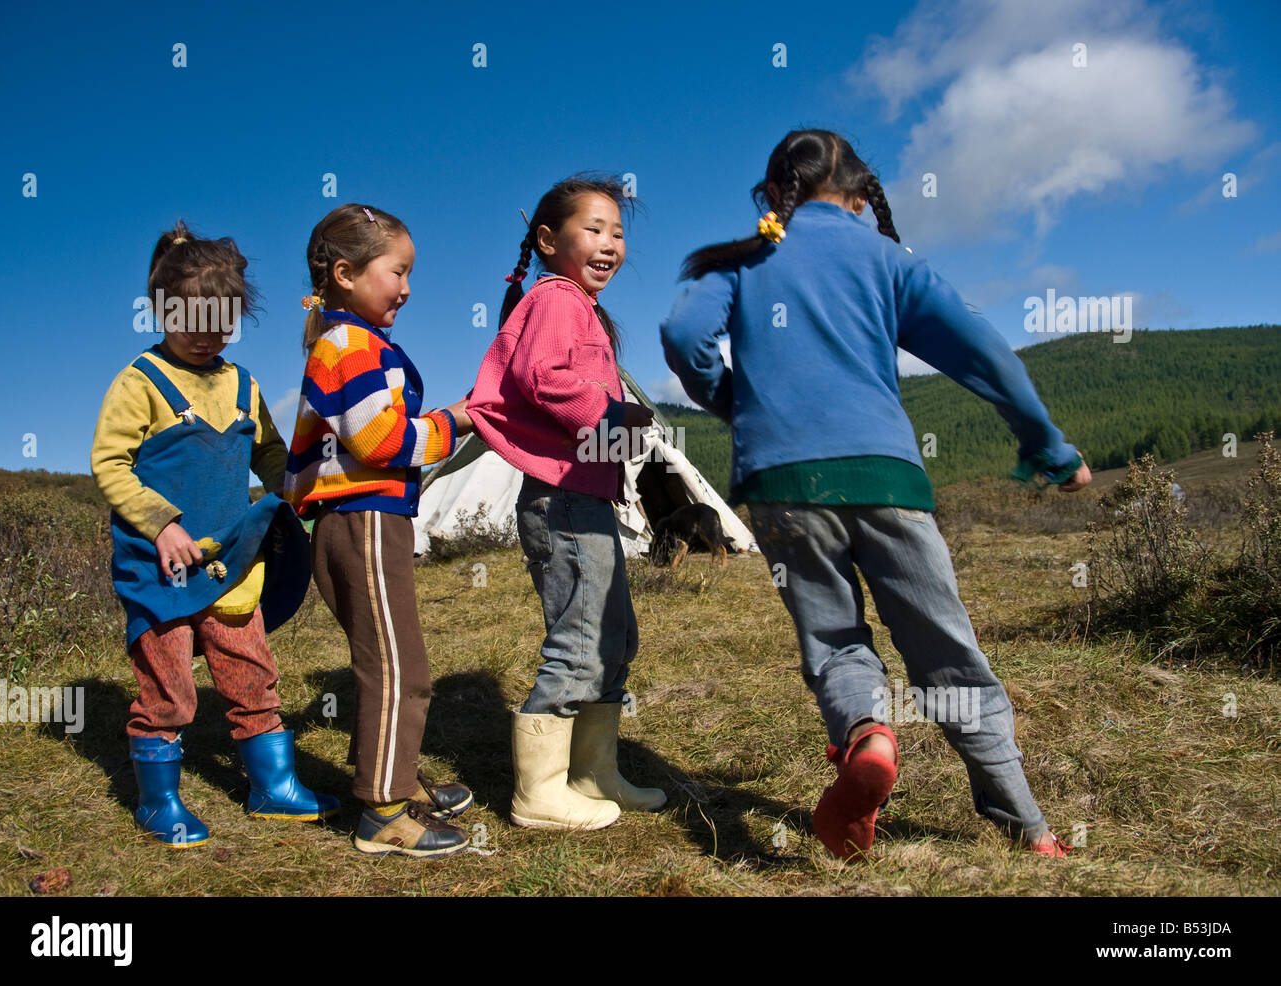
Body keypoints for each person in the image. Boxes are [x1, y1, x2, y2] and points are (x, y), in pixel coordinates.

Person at [660, 130, 1091, 860]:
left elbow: (682, 332)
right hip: (886, 475)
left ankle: (865, 732)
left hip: (779, 484)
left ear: (771, 196)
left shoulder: (745, 259)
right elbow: (982, 350)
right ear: (862, 196)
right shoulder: (888, 260)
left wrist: (737, 402)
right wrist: (1047, 446)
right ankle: (1028, 825)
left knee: (833, 639)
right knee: (945, 648)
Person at [92, 220, 337, 848]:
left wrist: (300, 486)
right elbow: (110, 464)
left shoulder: (245, 385)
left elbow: (273, 458)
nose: (206, 332)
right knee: (169, 686)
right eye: (191, 316)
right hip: (159, 566)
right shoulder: (140, 382)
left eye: (220, 319)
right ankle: (158, 801)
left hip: (231, 562)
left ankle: (272, 788)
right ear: (160, 308)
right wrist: (161, 524)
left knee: (250, 667)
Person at [466, 175, 665, 830]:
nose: (610, 243)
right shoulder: (556, 300)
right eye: (595, 229)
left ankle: (592, 771)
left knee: (611, 635)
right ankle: (538, 793)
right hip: (562, 499)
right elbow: (541, 377)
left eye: (618, 232)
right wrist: (614, 415)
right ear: (549, 240)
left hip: (587, 496)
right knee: (581, 636)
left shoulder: (578, 306)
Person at [285, 203, 475, 859]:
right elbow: (380, 439)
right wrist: (456, 421)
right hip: (366, 521)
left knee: (385, 660)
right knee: (401, 669)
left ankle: (395, 782)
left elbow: (320, 447)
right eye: (398, 271)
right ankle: (384, 813)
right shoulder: (354, 346)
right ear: (345, 273)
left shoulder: (334, 344)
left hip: (347, 524)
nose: (408, 286)